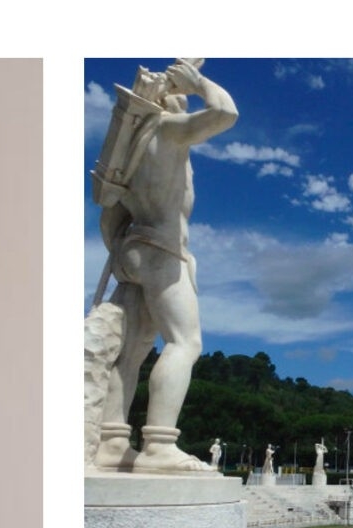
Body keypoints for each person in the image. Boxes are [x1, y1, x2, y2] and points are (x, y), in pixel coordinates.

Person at [90, 59, 238, 473]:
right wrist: (200, 82)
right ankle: (158, 444)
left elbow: (108, 218)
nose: (184, 97)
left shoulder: (131, 148)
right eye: (179, 95)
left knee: (132, 349)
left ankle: (112, 441)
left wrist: (124, 254)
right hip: (162, 249)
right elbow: (225, 113)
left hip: (133, 246)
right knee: (185, 343)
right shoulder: (168, 130)